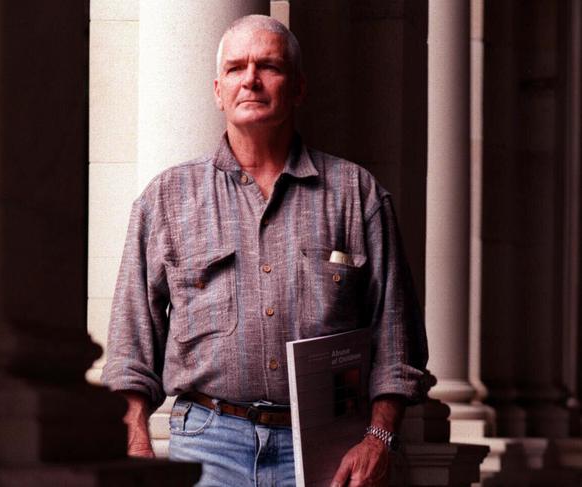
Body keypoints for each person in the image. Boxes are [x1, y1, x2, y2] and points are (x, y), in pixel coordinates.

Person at [102, 14, 428, 487]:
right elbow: (131, 344)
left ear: (297, 88)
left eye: (268, 66)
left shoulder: (356, 194)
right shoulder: (166, 199)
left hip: (326, 449)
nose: (250, 79)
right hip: (207, 443)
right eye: (236, 68)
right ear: (218, 90)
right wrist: (134, 441)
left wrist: (378, 439)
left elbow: (398, 342)